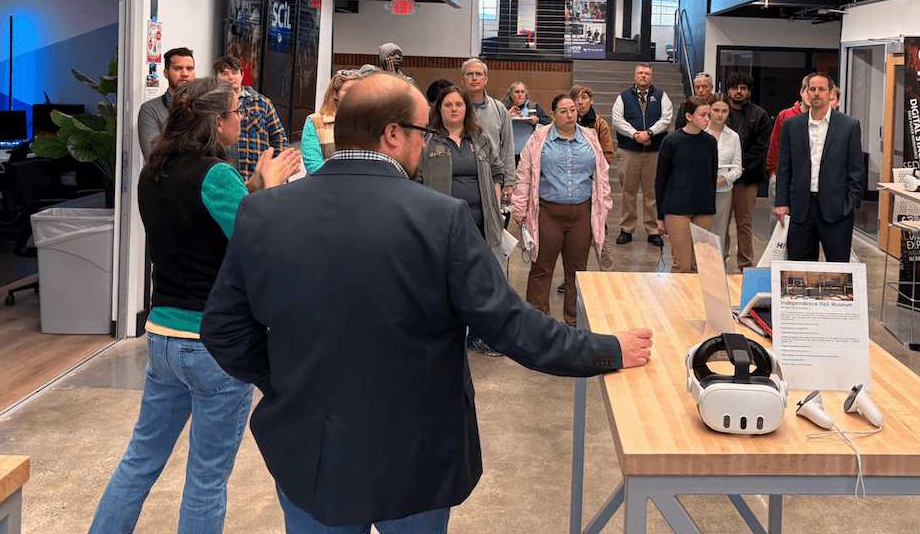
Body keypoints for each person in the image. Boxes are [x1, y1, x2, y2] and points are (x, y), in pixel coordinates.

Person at [200, 74, 652, 533]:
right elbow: (512, 327)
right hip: (415, 456)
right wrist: (608, 349)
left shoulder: (263, 211)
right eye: (423, 131)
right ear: (392, 134)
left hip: (310, 456)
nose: (427, 143)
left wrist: (285, 383)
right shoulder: (442, 219)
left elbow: (222, 329)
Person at [89, 78, 300, 534]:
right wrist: (272, 187)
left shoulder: (154, 171)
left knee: (139, 460)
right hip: (212, 346)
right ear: (217, 122)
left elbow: (201, 227)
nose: (243, 119)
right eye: (237, 112)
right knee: (206, 477)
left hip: (163, 338)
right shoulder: (216, 175)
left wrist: (252, 186)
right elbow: (259, 244)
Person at [420, 84, 508, 357]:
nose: (454, 109)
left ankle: (479, 336)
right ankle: (445, 335)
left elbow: (497, 171)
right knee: (444, 281)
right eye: (448, 105)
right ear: (439, 109)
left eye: (459, 104)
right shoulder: (427, 140)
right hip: (442, 227)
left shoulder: (479, 139)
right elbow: (416, 178)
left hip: (480, 225)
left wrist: (495, 206)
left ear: (467, 109)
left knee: (480, 281)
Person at [513, 94, 612, 326]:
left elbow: (602, 174)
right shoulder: (539, 138)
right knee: (541, 269)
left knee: (577, 272)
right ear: (553, 114)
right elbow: (524, 173)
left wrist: (604, 205)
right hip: (548, 213)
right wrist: (519, 207)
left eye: (573, 110)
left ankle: (574, 325)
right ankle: (537, 325)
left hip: (581, 214)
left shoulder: (590, 137)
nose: (570, 115)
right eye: (564, 111)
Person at [773, 72, 865, 262]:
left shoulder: (849, 125)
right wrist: (781, 202)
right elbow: (784, 167)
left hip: (837, 209)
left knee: (838, 267)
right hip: (800, 208)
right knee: (799, 268)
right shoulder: (792, 125)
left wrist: (851, 203)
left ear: (831, 93)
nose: (816, 93)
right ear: (805, 92)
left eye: (821, 89)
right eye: (812, 89)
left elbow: (856, 169)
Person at [611, 63, 673, 247]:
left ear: (651, 77)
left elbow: (666, 119)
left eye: (647, 73)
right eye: (640, 73)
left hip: (654, 153)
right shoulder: (623, 97)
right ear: (635, 76)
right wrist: (636, 135)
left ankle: (653, 231)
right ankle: (626, 229)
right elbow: (617, 120)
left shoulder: (661, 96)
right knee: (628, 192)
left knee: (651, 194)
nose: (643, 76)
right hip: (629, 151)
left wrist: (650, 133)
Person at [655, 97, 718, 273]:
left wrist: (710, 206)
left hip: (703, 209)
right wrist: (660, 216)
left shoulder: (710, 142)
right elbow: (660, 180)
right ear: (689, 116)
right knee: (682, 264)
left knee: (700, 266)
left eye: (709, 115)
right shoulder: (671, 141)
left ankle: (696, 293)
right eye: (703, 115)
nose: (707, 119)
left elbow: (712, 176)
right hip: (676, 208)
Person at [723, 71, 773, 268]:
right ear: (728, 90)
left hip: (748, 177)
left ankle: (745, 262)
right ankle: (720, 259)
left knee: (744, 223)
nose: (738, 91)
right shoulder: (720, 112)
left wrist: (741, 167)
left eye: (743, 88)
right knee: (722, 222)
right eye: (735, 87)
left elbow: (762, 146)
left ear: (749, 92)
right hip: (723, 179)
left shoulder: (759, 114)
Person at [215, 55, 289, 181]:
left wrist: (275, 169)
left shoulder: (262, 103)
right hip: (225, 178)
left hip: (258, 177)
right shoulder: (212, 105)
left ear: (242, 75)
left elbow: (279, 137)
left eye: (235, 73)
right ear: (216, 77)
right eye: (225, 73)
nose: (231, 77)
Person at [571, 84, 614, 272]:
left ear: (591, 101)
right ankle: (573, 275)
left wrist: (590, 168)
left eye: (584, 98)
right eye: (575, 99)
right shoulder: (566, 124)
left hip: (593, 185)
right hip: (570, 186)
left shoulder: (600, 124)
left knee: (599, 231)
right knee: (573, 235)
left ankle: (608, 274)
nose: (579, 103)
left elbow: (608, 154)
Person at [461, 57, 515, 206]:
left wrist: (508, 182)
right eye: (469, 74)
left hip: (492, 178)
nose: (474, 78)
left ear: (485, 79)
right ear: (462, 79)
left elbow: (508, 147)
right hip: (462, 178)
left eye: (478, 74)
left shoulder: (499, 109)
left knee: (491, 219)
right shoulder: (455, 108)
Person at [137, 46, 195, 159]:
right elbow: (154, 157)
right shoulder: (150, 110)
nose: (185, 74)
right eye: (177, 68)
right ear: (166, 73)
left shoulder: (203, 107)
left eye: (189, 68)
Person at [301, 69, 361, 173]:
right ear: (335, 94)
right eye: (348, 90)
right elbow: (314, 166)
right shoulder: (315, 122)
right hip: (324, 182)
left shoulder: (367, 121)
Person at [706, 94, 743, 249]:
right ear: (709, 110)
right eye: (716, 110)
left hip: (723, 189)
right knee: (700, 230)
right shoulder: (700, 133)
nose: (720, 114)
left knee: (719, 231)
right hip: (700, 189)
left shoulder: (733, 137)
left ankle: (716, 262)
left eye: (724, 111)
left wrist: (723, 181)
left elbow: (737, 167)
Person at [766, 79, 807, 177]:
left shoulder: (823, 118)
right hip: (786, 174)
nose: (811, 95)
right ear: (802, 92)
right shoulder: (785, 115)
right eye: (809, 90)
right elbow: (775, 146)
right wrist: (773, 173)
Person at [504, 81, 551, 165]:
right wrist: (507, 116)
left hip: (529, 153)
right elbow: (495, 124)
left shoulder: (533, 106)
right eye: (517, 92)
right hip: (508, 153)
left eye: (522, 92)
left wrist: (538, 120)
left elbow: (549, 121)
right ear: (511, 95)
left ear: (526, 94)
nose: (520, 94)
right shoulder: (504, 107)